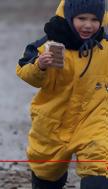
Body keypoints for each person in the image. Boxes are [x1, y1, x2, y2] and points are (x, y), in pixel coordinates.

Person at [16, 0, 108, 188]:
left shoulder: (104, 46)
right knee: (47, 171)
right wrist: (40, 65)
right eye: (81, 18)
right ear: (69, 16)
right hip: (53, 120)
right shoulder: (48, 43)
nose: (88, 25)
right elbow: (25, 72)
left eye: (94, 19)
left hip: (93, 118)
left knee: (97, 163)